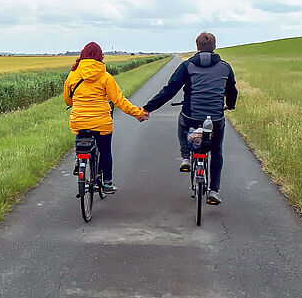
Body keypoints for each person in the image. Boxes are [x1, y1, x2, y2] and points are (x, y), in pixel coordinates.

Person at [142, 32, 237, 204]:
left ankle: (186, 156)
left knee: (182, 122)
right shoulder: (225, 67)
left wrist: (148, 108)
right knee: (216, 150)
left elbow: (169, 91)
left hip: (191, 116)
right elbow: (232, 92)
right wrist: (229, 105)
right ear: (214, 47)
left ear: (197, 47)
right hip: (215, 118)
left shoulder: (187, 66)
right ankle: (214, 191)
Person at [64, 42, 148, 193]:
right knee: (105, 150)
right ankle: (107, 183)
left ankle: (79, 159)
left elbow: (68, 100)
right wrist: (138, 113)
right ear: (100, 56)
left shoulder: (73, 75)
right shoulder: (105, 76)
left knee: (80, 132)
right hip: (101, 122)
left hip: (79, 120)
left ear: (82, 55)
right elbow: (119, 100)